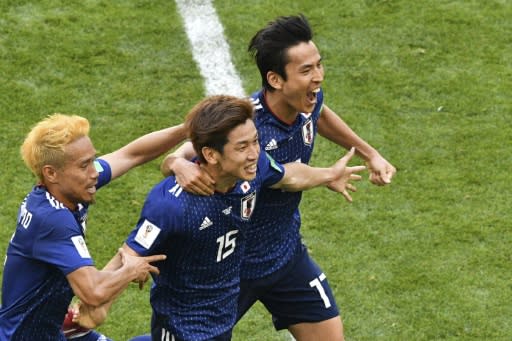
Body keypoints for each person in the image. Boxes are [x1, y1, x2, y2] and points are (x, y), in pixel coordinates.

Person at [161, 14, 396, 341]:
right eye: (306, 71)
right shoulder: (245, 125)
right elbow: (188, 151)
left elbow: (320, 115)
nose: (318, 78)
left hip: (284, 256)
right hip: (229, 269)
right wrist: (176, 163)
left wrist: (369, 153)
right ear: (275, 80)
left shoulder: (307, 100)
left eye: (319, 65)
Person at [122, 95, 365, 341]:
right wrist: (100, 295)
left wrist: (327, 175)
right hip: (187, 324)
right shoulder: (172, 204)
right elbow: (130, 253)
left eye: (256, 142)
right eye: (242, 147)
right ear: (212, 154)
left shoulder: (255, 167)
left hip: (249, 285)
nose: (253, 154)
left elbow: (288, 176)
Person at [0, 113, 187, 341]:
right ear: (51, 173)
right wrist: (130, 270)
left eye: (92, 161)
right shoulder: (52, 221)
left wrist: (188, 130)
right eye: (84, 165)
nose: (94, 173)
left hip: (49, 331)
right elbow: (94, 292)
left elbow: (132, 154)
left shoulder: (64, 190)